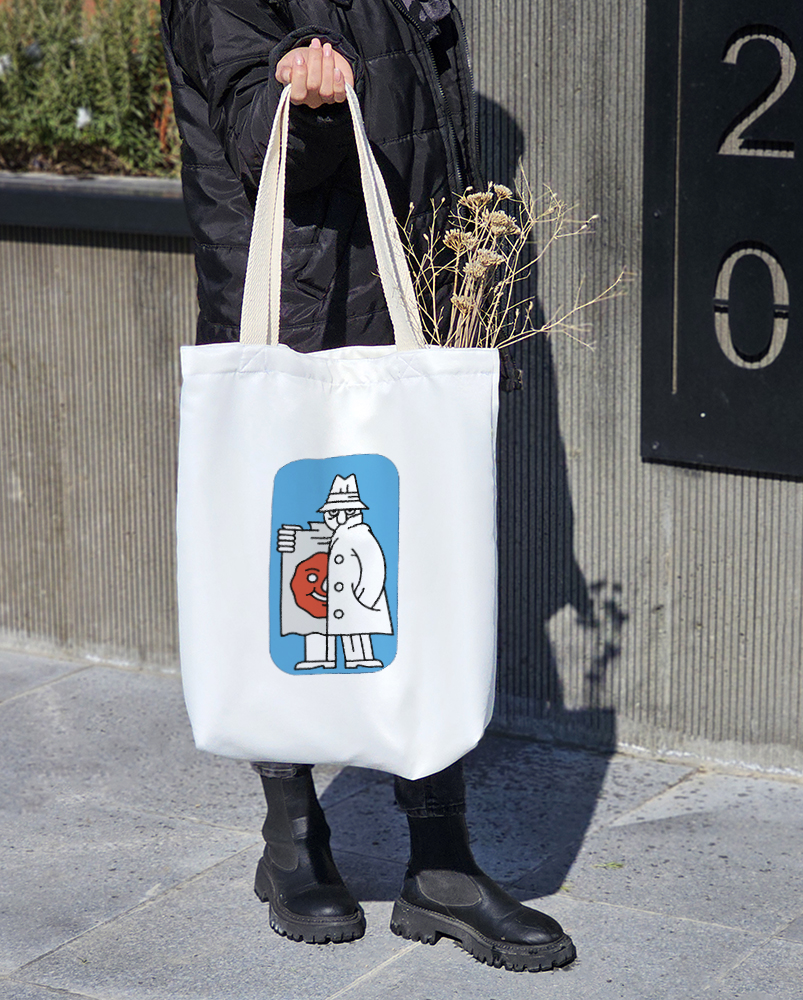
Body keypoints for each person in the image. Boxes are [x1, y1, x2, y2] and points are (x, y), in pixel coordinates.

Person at [159, 0, 575, 973]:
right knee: (294, 579)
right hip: (298, 303)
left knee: (420, 567)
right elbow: (254, 133)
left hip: (401, 301)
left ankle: (442, 860)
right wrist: (301, 105)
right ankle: (293, 837)